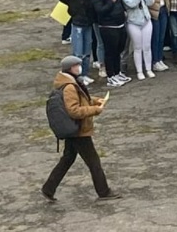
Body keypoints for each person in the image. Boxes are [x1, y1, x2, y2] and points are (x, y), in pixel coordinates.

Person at [41, 56, 120, 202]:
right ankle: (103, 191)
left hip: (73, 129)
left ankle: (48, 188)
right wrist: (95, 109)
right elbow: (74, 111)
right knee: (93, 161)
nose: (79, 67)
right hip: (79, 130)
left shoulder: (68, 82)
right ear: (71, 68)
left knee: (68, 158)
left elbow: (81, 99)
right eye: (77, 65)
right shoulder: (70, 87)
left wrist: (96, 100)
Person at [56, 0, 96, 85]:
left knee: (87, 52)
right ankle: (78, 77)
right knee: (78, 53)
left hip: (87, 25)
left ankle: (85, 74)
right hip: (78, 26)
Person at [92, 0, 130, 87]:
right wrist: (111, 2)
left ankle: (117, 73)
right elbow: (100, 10)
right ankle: (110, 76)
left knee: (118, 51)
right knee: (110, 52)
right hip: (108, 27)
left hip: (120, 25)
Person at [122, 0, 156, 81]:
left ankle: (149, 69)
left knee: (147, 46)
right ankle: (139, 71)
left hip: (146, 20)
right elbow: (132, 4)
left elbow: (150, 2)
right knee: (137, 47)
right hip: (133, 22)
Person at [150, 0, 170, 72]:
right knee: (156, 38)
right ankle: (155, 61)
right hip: (155, 11)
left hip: (163, 10)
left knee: (161, 37)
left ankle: (160, 59)